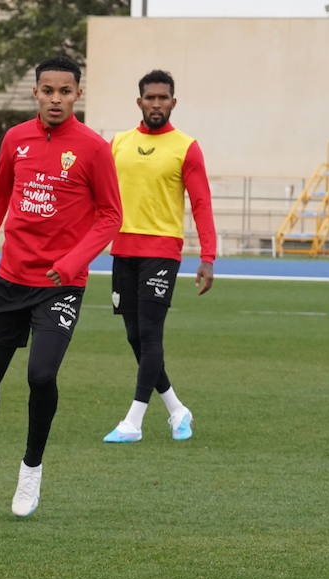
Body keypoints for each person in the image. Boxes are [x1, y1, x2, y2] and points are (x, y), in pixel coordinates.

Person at [0, 56, 121, 520]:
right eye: (47, 90)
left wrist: (73, 261)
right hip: (10, 280)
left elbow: (111, 215)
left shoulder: (94, 148)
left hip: (60, 286)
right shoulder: (15, 138)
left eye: (65, 91)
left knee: (40, 375)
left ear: (77, 94)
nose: (56, 99)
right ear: (35, 92)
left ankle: (30, 470)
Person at [102, 69, 215, 443]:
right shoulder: (118, 144)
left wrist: (208, 256)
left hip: (162, 252)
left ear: (173, 102)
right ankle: (177, 409)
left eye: (162, 98)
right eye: (150, 98)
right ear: (139, 102)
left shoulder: (186, 147)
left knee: (150, 335)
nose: (156, 104)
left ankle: (133, 421)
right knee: (135, 337)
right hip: (122, 250)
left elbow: (201, 203)